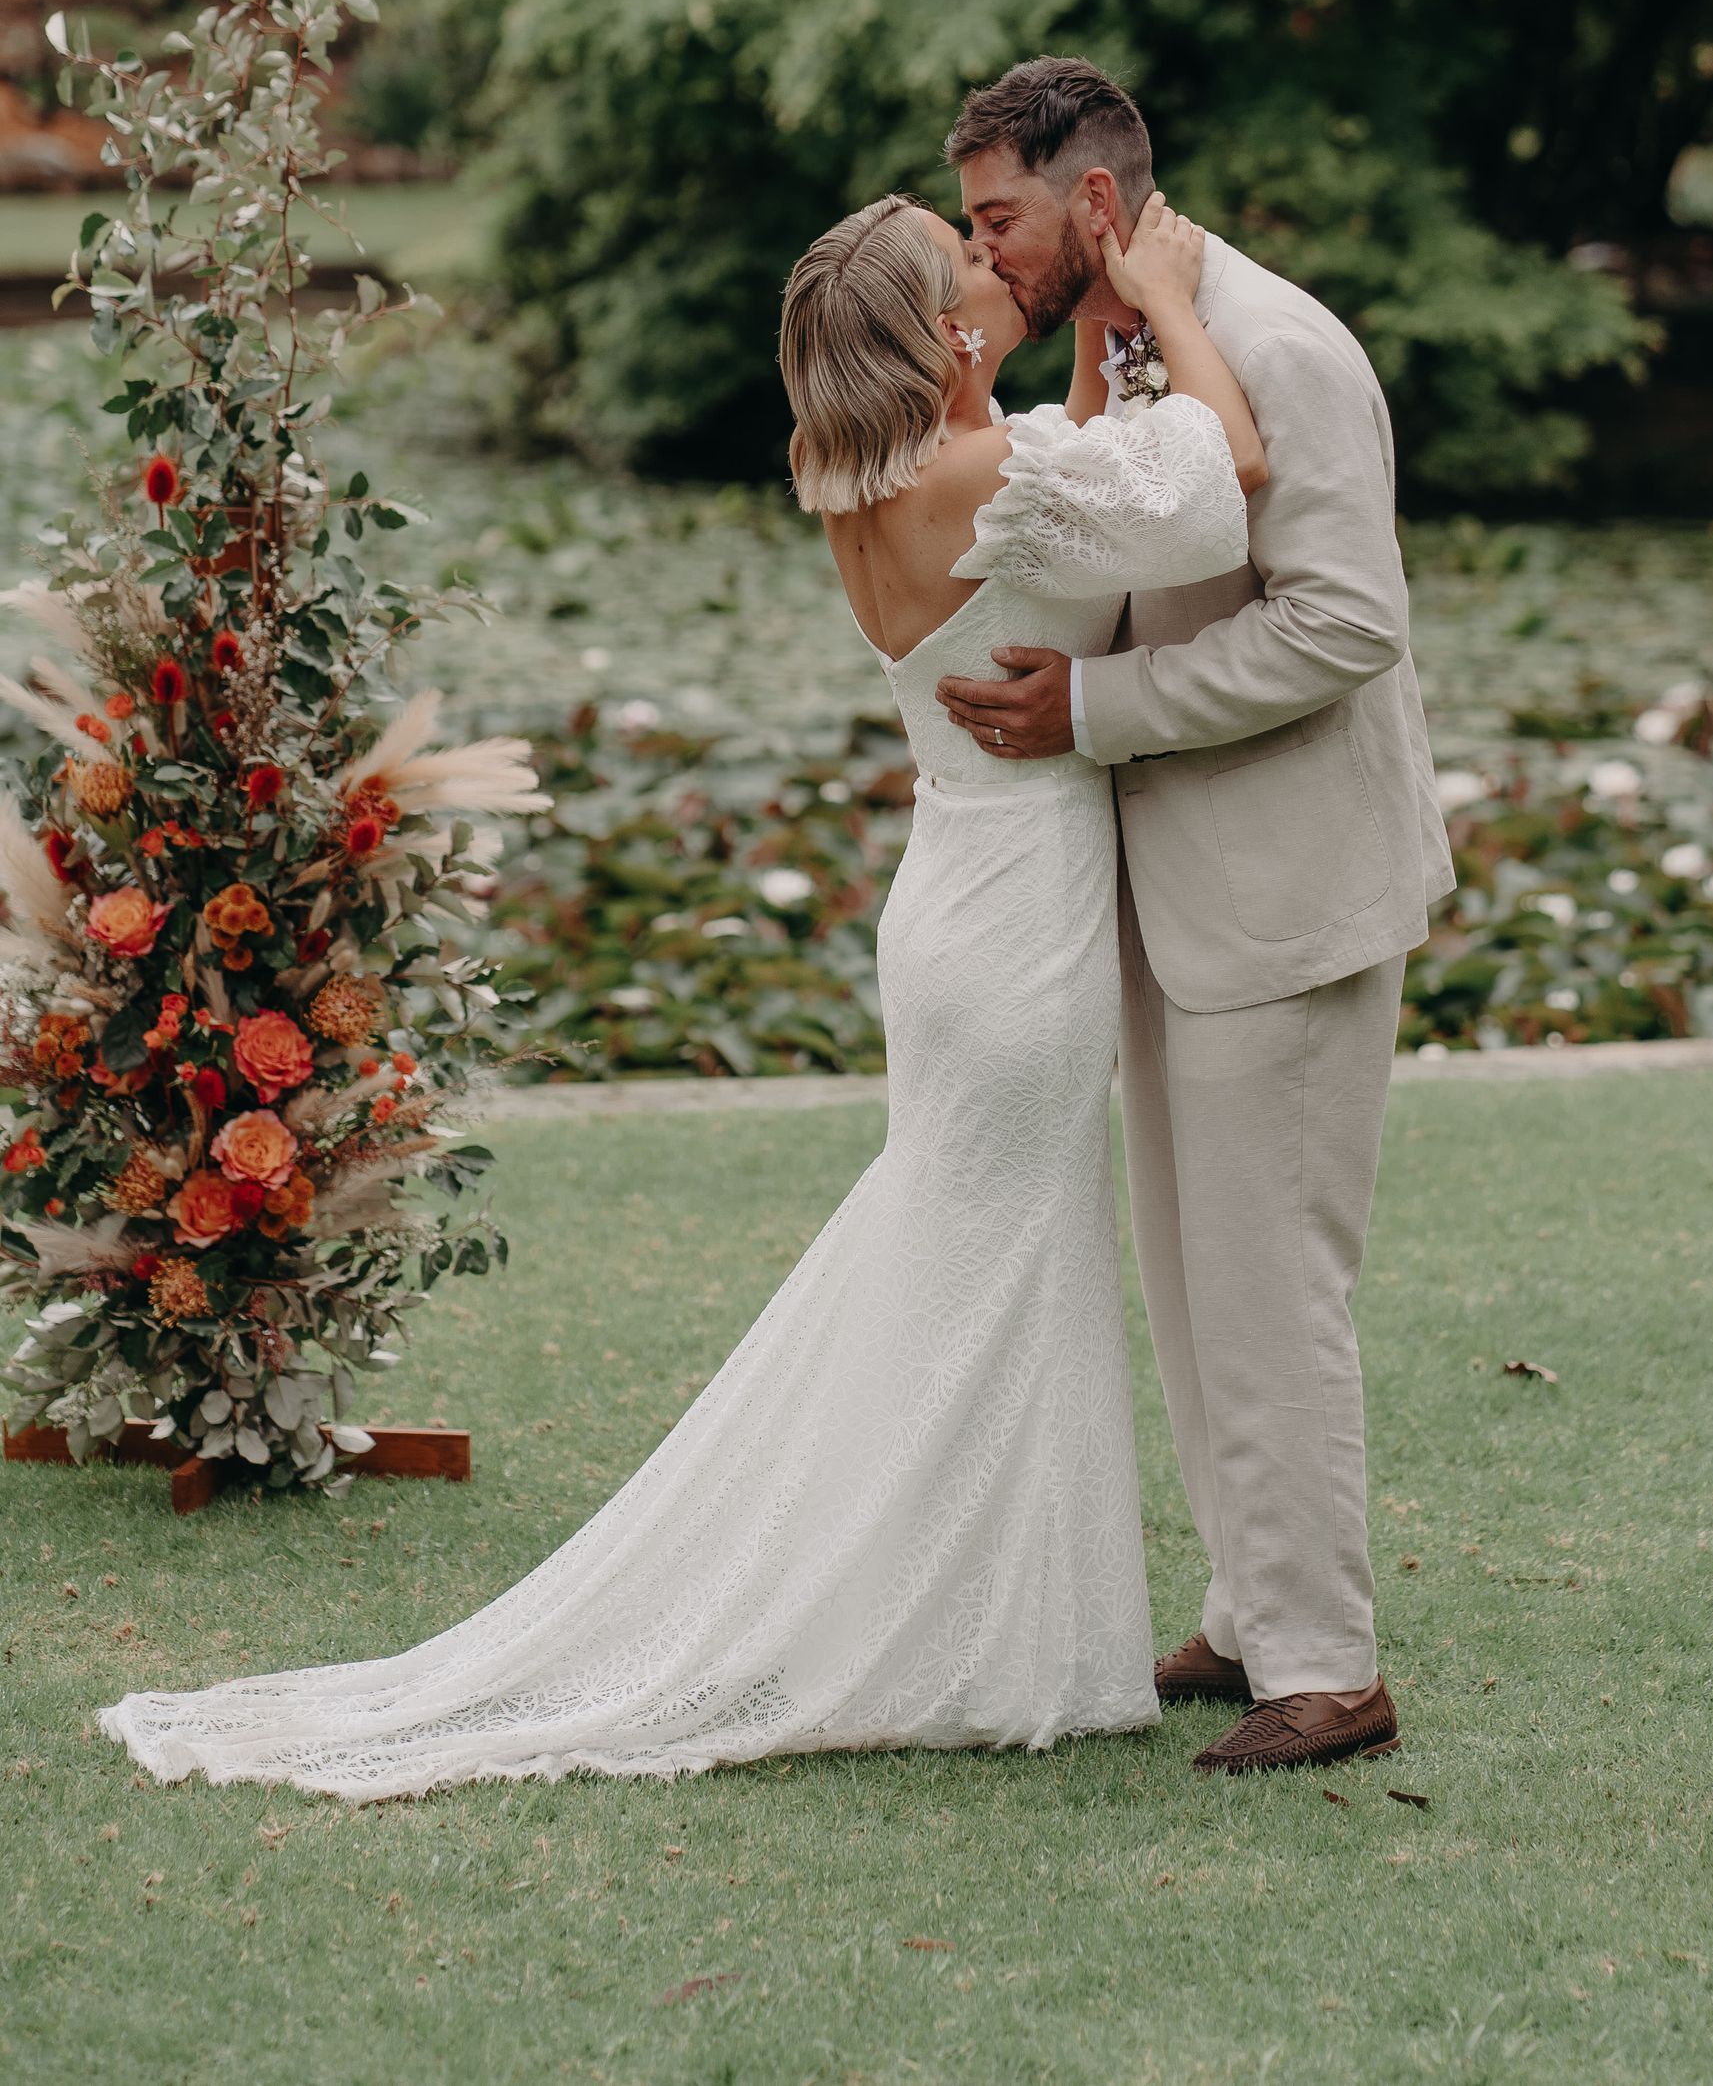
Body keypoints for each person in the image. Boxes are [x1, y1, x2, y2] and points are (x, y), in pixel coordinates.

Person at [97, 189, 1263, 1799]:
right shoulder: (978, 478)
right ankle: (953, 1630)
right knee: (994, 1266)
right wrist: (1174, 304)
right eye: (971, 267)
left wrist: (1082, 349)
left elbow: (1073, 501)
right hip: (1016, 927)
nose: (999, 268)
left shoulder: (897, 477)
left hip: (964, 898)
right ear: (939, 336)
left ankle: (1000, 1627)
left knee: (990, 1259)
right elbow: (1209, 499)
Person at [937, 56, 1454, 1776]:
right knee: (1190, 1274)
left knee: (1268, 1286)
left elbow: (1340, 624)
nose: (981, 253)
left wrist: (1090, 717)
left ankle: (1329, 1666)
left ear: (1094, 203)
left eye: (999, 218)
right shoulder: (1143, 334)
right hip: (1173, 892)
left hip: (1286, 898)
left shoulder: (1285, 350)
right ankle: (1248, 1612)